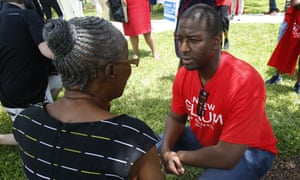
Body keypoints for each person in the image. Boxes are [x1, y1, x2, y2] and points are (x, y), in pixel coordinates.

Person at [13, 16, 165, 179]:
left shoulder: (26, 121)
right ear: (111, 71)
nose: (130, 68)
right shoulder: (133, 140)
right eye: (129, 61)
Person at [158, 4, 278, 179]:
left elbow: (227, 156)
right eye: (180, 39)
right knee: (150, 148)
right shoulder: (184, 74)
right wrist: (166, 150)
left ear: (216, 42)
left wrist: (178, 156)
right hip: (212, 138)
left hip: (251, 149)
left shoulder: (244, 81)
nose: (183, 48)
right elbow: (176, 117)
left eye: (193, 40)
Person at [0, 0, 54, 145]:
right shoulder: (28, 15)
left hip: (8, 95)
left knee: (57, 77)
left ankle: (46, 109)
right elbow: (48, 52)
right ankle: (3, 138)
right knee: (41, 138)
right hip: (28, 94)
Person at [266, 0, 300, 95]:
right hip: (292, 19)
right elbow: (295, 3)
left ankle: (298, 84)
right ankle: (277, 76)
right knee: (283, 49)